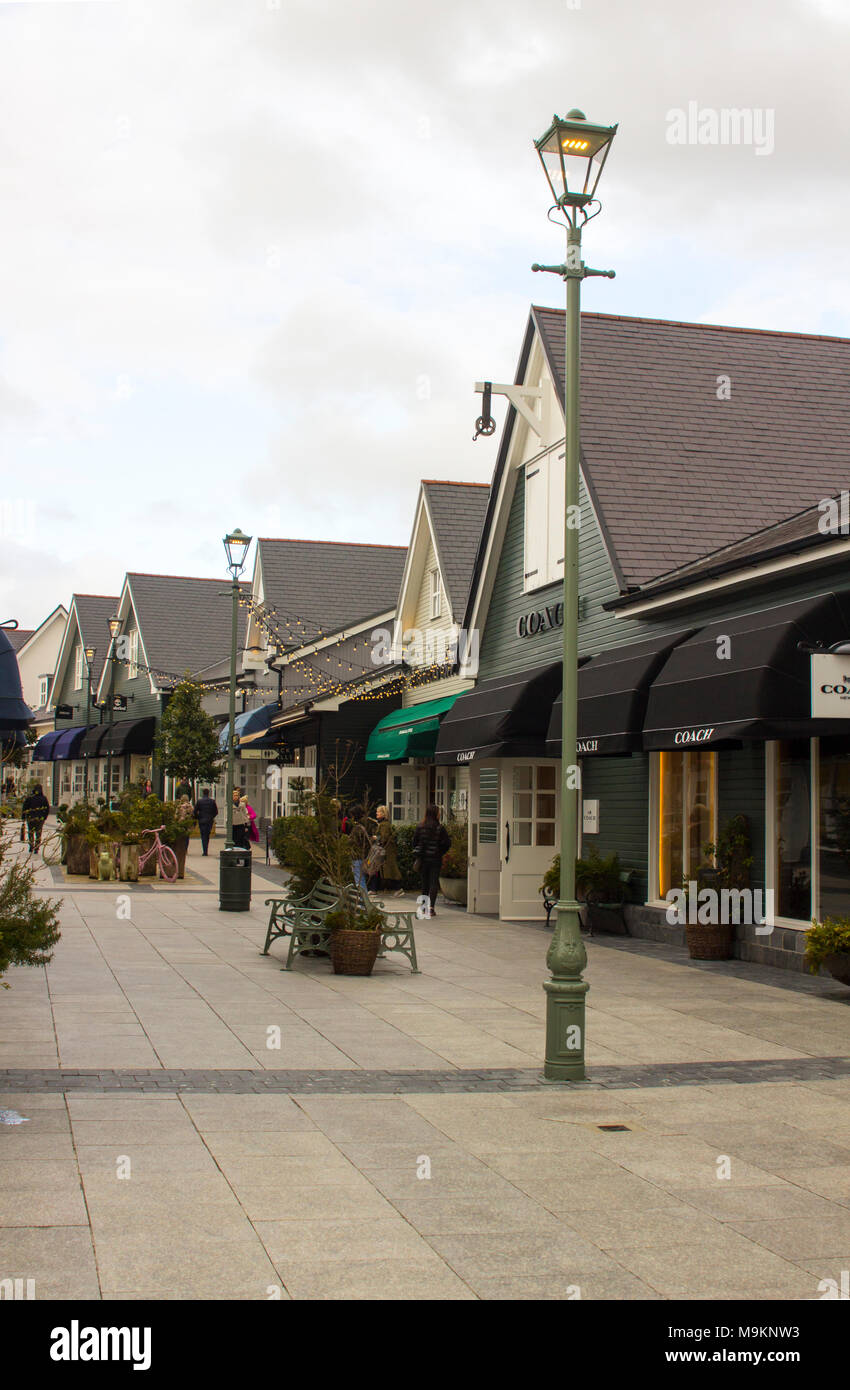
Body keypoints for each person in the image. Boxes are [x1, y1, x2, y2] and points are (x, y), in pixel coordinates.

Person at [412, 803, 450, 918]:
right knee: (434, 882)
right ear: (436, 814)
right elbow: (447, 843)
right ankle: (431, 908)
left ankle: (423, 906)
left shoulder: (420, 827)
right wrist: (440, 851)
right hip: (435, 858)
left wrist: (418, 852)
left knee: (425, 883)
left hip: (423, 859)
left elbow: (414, 842)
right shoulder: (440, 828)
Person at [373, 804, 403, 895]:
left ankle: (398, 888)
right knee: (387, 870)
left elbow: (384, 838)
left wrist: (375, 837)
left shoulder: (384, 825)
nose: (376, 813)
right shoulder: (384, 824)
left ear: (383, 813)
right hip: (387, 850)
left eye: (378, 812)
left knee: (391, 869)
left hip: (387, 851)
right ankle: (391, 888)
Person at [22, 783, 50, 854]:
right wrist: (44, 817)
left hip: (30, 818)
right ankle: (37, 847)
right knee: (38, 833)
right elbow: (47, 809)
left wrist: (23, 817)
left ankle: (31, 846)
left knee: (31, 832)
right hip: (40, 818)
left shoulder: (30, 798)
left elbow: (25, 807)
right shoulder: (44, 798)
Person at [348, 805, 371, 889]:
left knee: (359, 880)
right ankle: (363, 898)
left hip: (357, 857)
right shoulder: (363, 827)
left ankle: (362, 899)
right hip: (363, 856)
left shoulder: (357, 829)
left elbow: (352, 842)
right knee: (361, 879)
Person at [193, 789, 218, 856]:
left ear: (203, 793)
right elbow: (216, 812)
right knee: (207, 835)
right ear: (208, 793)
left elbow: (195, 811)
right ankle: (206, 849)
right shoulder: (212, 801)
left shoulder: (199, 801)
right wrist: (212, 817)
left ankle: (205, 851)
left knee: (203, 835)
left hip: (202, 820)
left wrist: (198, 817)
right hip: (209, 820)